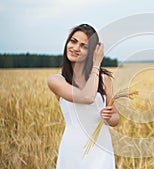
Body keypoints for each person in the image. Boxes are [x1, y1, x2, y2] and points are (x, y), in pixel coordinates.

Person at [47, 24, 119, 169]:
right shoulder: (57, 81)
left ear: (92, 52)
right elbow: (87, 97)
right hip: (73, 150)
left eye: (84, 46)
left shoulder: (104, 79)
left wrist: (109, 116)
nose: (76, 48)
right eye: (73, 41)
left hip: (102, 148)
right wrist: (96, 64)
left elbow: (116, 118)